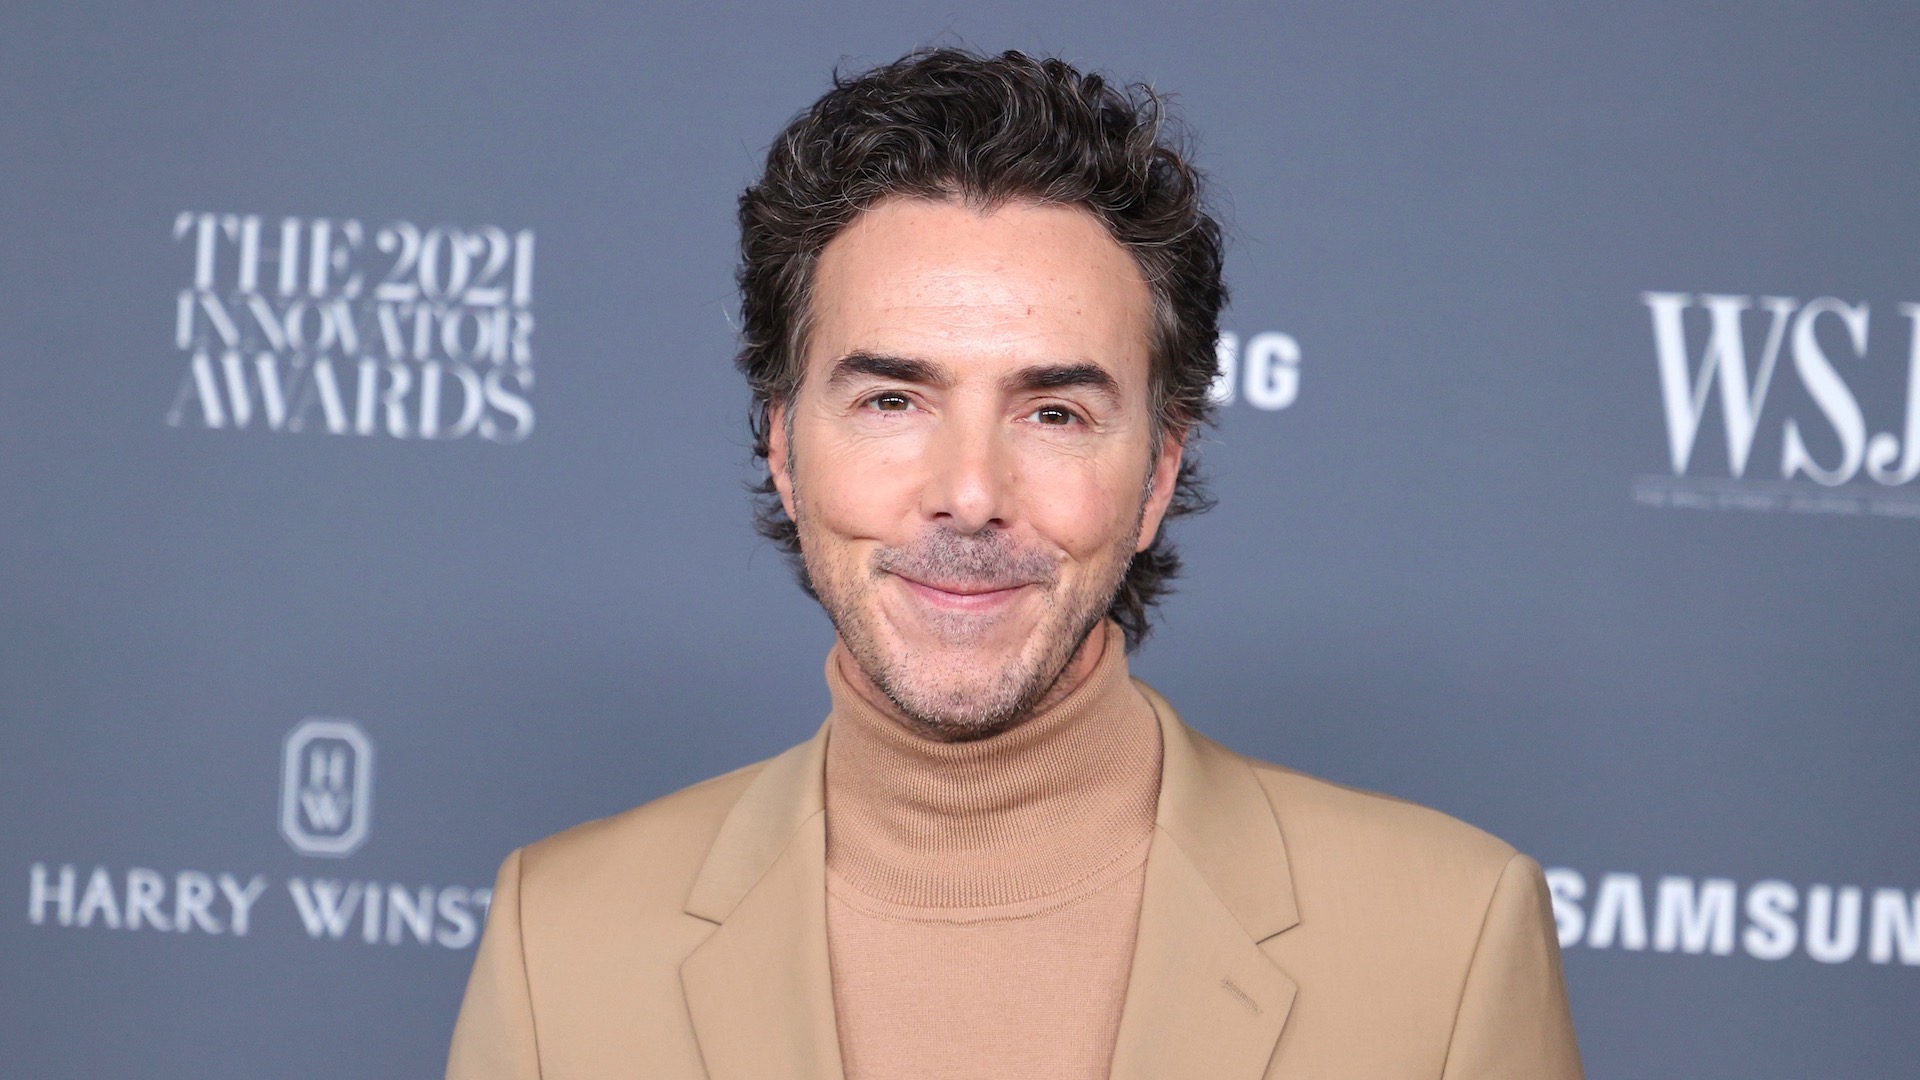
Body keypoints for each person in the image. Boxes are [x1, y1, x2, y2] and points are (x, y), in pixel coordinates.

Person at [446, 48, 1583, 1080]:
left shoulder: (1449, 946)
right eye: (892, 400)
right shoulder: (561, 946)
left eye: (1053, 413)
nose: (972, 492)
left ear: (1157, 473)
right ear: (784, 451)